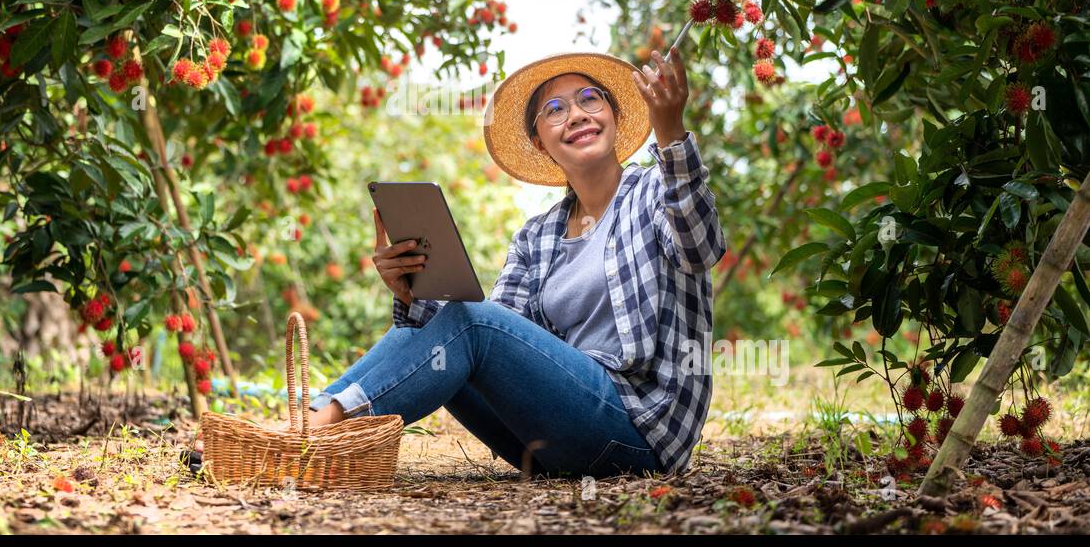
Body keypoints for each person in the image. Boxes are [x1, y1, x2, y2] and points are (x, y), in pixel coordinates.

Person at [190, 47, 726, 478]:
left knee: (472, 323)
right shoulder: (537, 236)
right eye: (555, 109)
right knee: (454, 321)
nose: (577, 114)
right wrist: (410, 296)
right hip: (549, 440)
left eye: (590, 99)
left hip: (636, 431)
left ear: (614, 115)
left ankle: (310, 430)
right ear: (540, 143)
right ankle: (311, 426)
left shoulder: (658, 190)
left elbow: (701, 247)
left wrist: (671, 132)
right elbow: (499, 341)